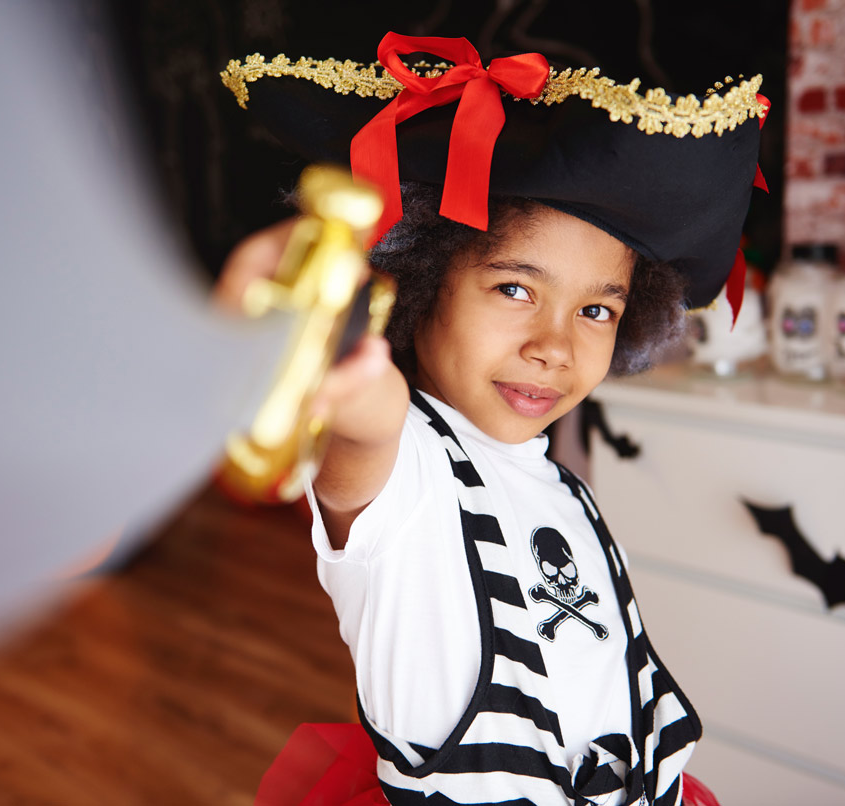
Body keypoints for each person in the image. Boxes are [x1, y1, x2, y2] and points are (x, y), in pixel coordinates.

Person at [220, 32, 767, 806]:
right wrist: (327, 313)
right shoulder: (402, 477)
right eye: (514, 289)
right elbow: (365, 409)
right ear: (419, 281)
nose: (553, 346)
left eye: (596, 309)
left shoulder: (564, 488)